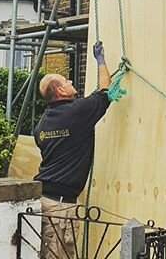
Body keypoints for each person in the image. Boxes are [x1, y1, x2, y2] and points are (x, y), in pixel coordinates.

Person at [34, 42, 111, 259]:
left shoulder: (41, 126)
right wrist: (101, 60)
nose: (70, 81)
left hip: (43, 201)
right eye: (65, 81)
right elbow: (106, 90)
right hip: (60, 208)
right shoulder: (77, 113)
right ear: (59, 90)